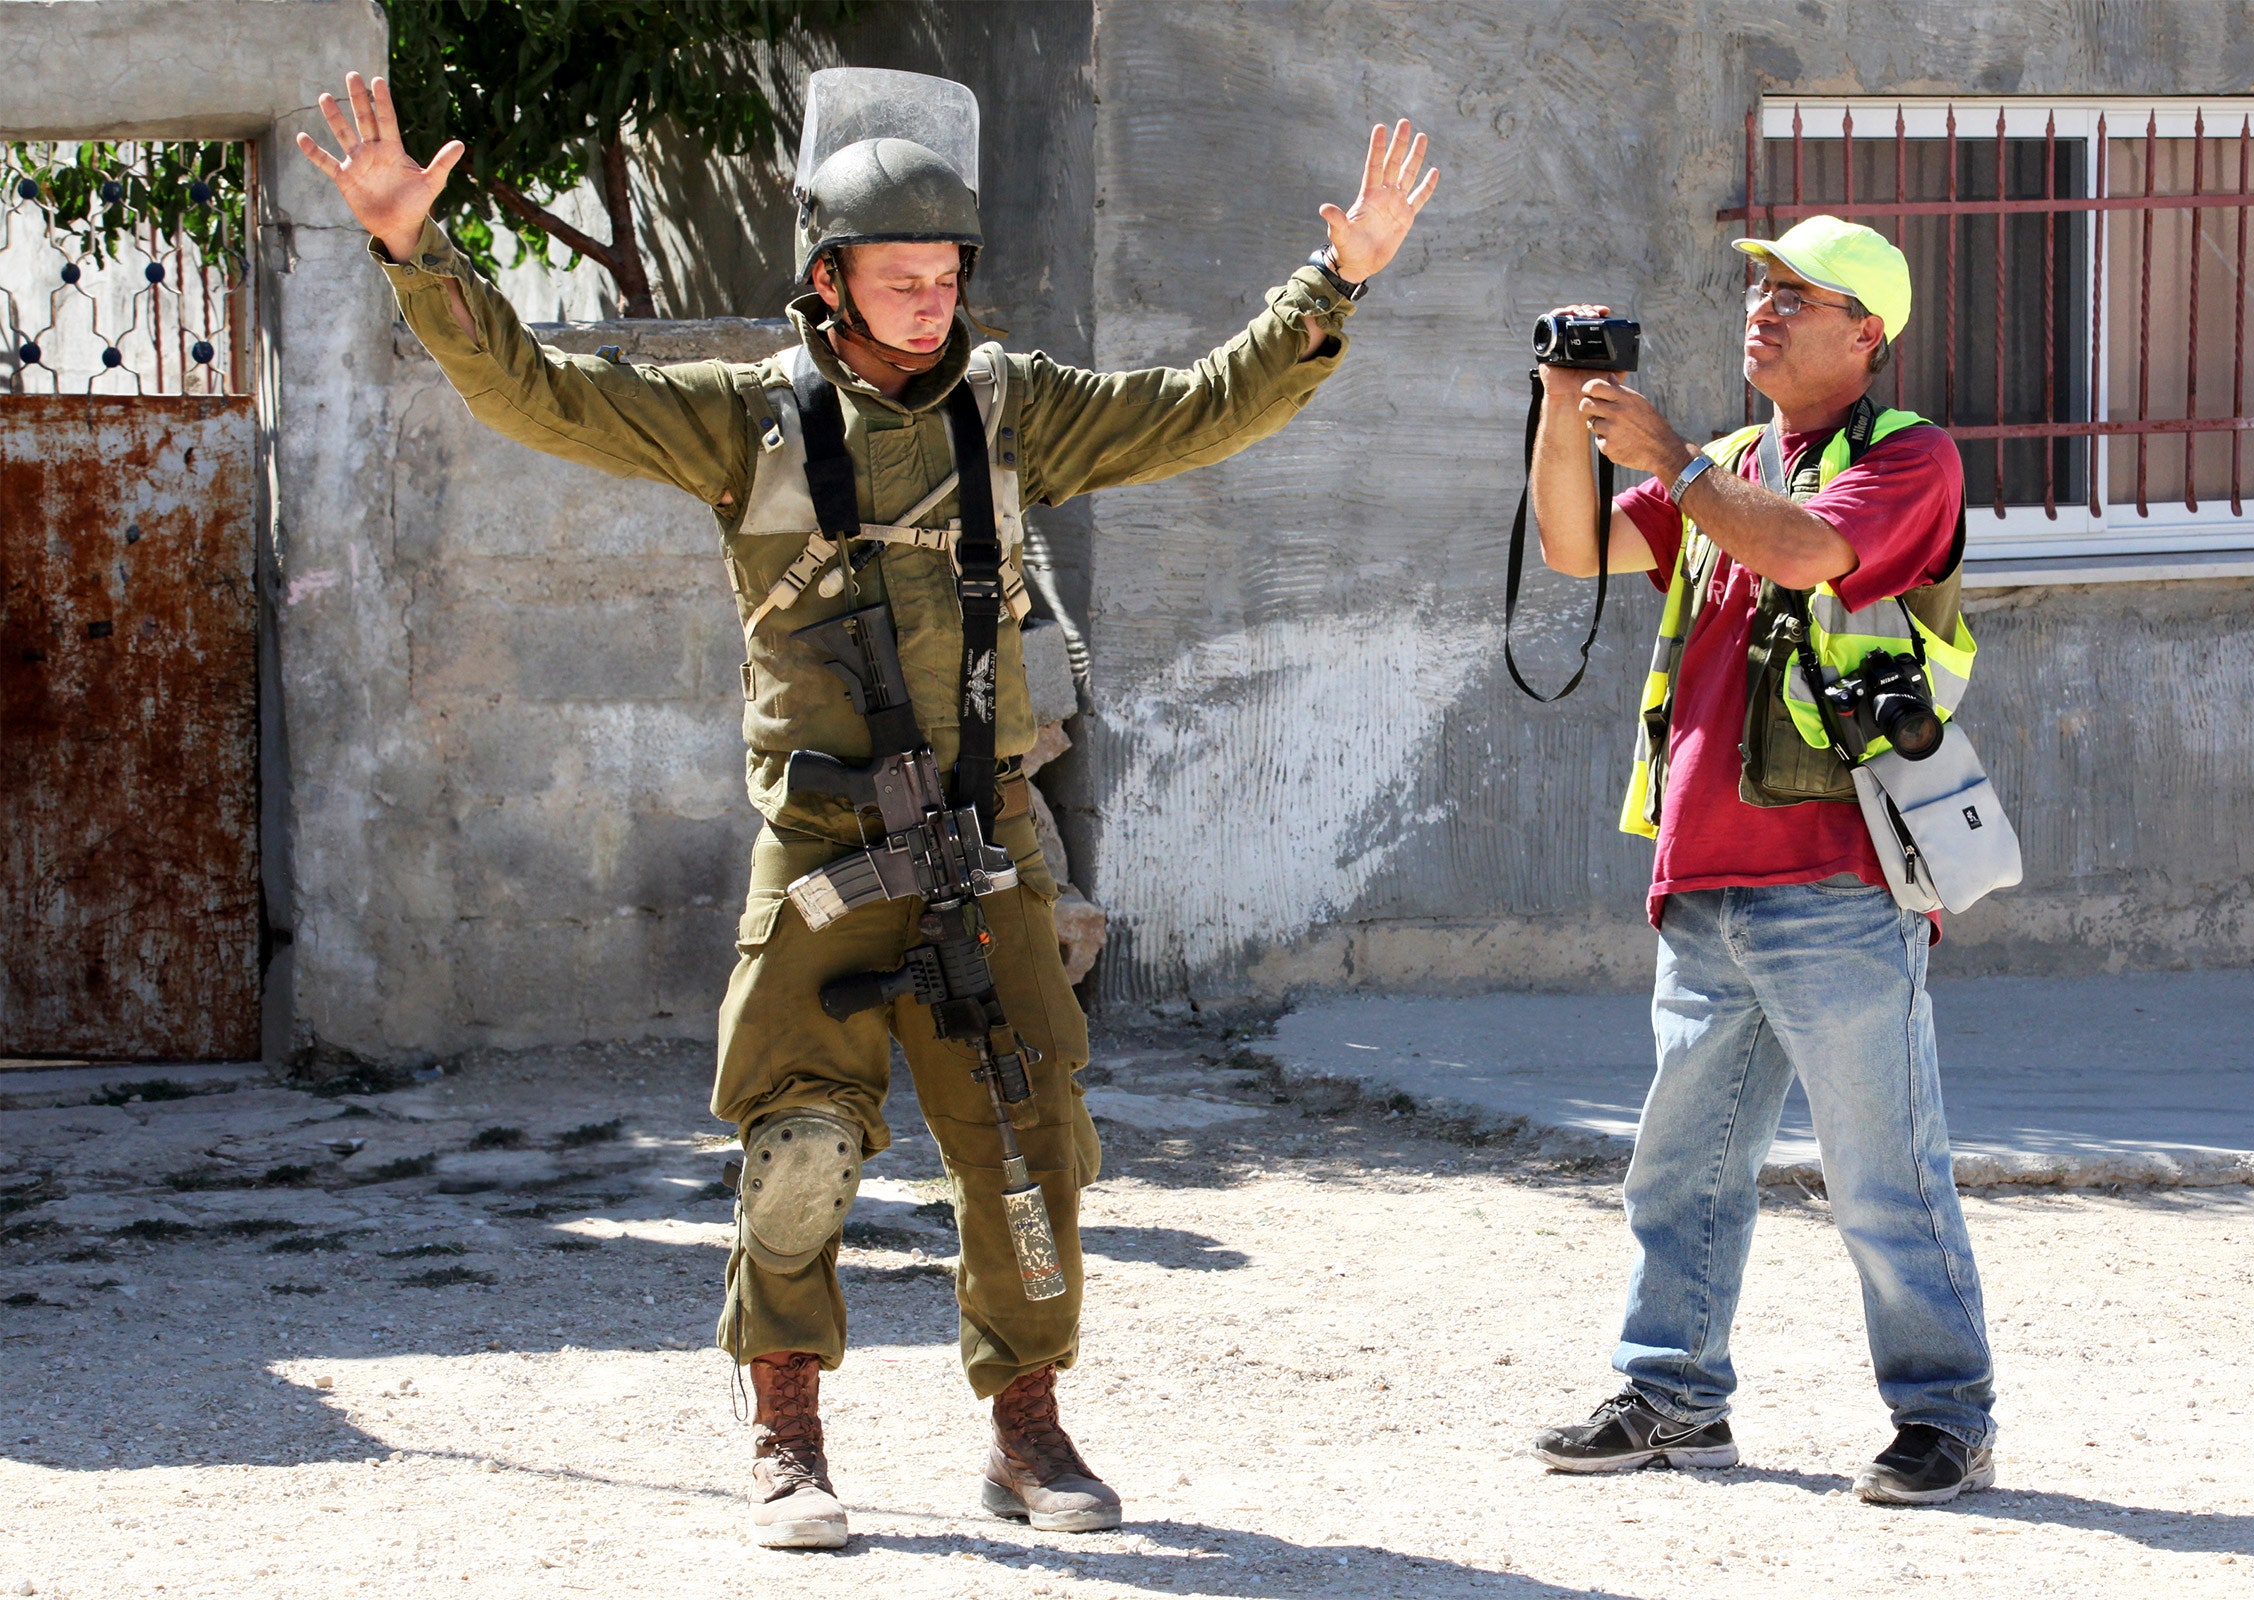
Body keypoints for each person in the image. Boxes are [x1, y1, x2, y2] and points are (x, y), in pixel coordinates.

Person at [296, 69, 1437, 1548]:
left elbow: (1201, 409)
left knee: (1030, 1146)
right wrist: (417, 251)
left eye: (946, 276)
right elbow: (537, 390)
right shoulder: (746, 427)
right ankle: (786, 1431)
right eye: (897, 280)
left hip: (988, 851)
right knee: (800, 1152)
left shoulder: (1013, 411)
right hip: (831, 853)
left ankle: (1026, 1431)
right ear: (826, 285)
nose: (926, 302)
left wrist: (1332, 281)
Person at [1521, 216, 1997, 1506]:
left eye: (1799, 295)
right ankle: (1672, 1397)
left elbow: (1799, 550)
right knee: (1681, 1165)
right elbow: (1575, 546)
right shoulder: (1726, 463)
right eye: (1762, 289)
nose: (1765, 310)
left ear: (1868, 334)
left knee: (1882, 1169)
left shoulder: (1910, 461)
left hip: (1838, 882)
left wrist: (1668, 455)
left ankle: (1946, 1416)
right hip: (1706, 876)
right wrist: (1570, 407)